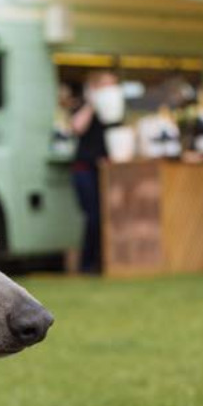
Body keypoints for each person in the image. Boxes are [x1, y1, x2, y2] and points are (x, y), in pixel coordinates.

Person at [70, 72, 118, 274]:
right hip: (84, 169)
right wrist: (92, 104)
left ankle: (102, 262)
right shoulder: (84, 107)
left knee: (104, 217)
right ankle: (88, 264)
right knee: (93, 217)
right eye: (106, 86)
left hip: (104, 171)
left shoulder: (114, 111)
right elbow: (76, 127)